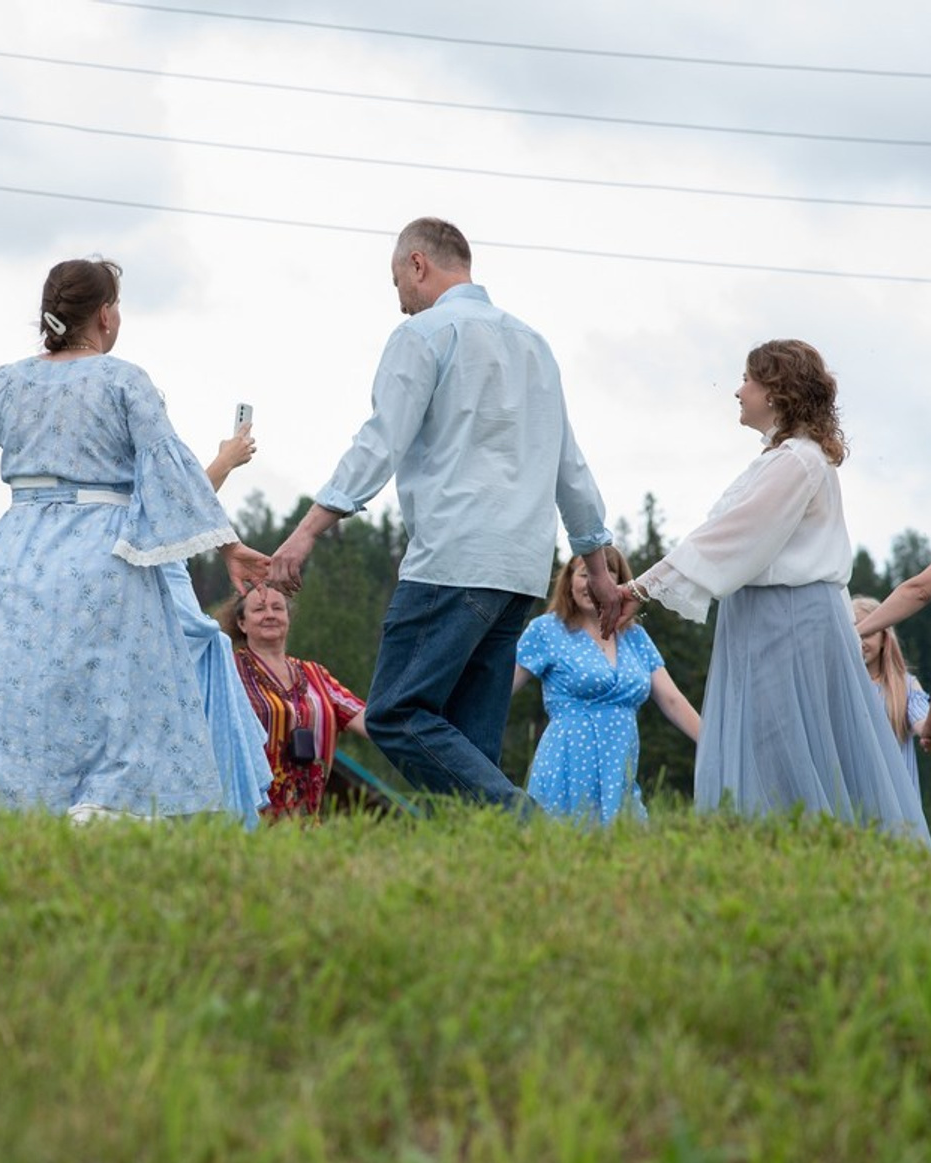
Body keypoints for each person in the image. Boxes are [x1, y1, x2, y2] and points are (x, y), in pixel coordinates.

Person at [0, 257, 268, 820]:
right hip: (103, 551)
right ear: (106, 316)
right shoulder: (123, 379)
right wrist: (228, 546)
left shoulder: (7, 381)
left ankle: (7, 801)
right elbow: (168, 468)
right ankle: (102, 804)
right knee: (111, 689)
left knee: (16, 686)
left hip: (20, 551)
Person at [267, 217, 620, 811]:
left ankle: (516, 815)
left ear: (417, 265)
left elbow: (381, 442)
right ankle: (482, 868)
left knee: (396, 713)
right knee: (469, 747)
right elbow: (570, 464)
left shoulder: (425, 334)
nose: (399, 300)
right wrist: (597, 565)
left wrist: (305, 533)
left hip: (454, 560)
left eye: (396, 282)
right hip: (521, 569)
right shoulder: (535, 344)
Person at [619, 339, 928, 843]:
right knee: (770, 742)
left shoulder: (798, 462)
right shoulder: (781, 459)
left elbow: (732, 536)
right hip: (767, 618)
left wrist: (641, 587)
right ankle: (770, 846)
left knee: (789, 743)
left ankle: (813, 849)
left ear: (777, 390)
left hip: (789, 618)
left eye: (748, 380)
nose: (738, 391)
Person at [514, 549, 701, 824]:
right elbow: (500, 689)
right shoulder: (545, 630)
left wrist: (714, 746)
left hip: (620, 774)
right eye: (583, 574)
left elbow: (673, 700)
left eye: (603, 573)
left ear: (619, 584)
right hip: (564, 769)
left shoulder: (635, 636)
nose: (591, 583)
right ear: (568, 581)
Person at [156, 422, 273, 829]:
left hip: (180, 625)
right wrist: (226, 460)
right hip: (169, 629)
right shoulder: (131, 486)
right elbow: (176, 508)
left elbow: (182, 506)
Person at [226, 586, 367, 820]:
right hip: (249, 820)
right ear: (242, 623)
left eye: (277, 608)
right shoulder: (229, 670)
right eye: (259, 609)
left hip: (307, 819)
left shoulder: (315, 674)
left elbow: (366, 719)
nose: (270, 614)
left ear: (288, 618)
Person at [851, 594, 929, 792]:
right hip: (854, 799)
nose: (859, 642)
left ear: (885, 638)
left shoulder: (906, 686)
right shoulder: (839, 687)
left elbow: (922, 723)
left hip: (900, 802)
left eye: (868, 633)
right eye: (853, 633)